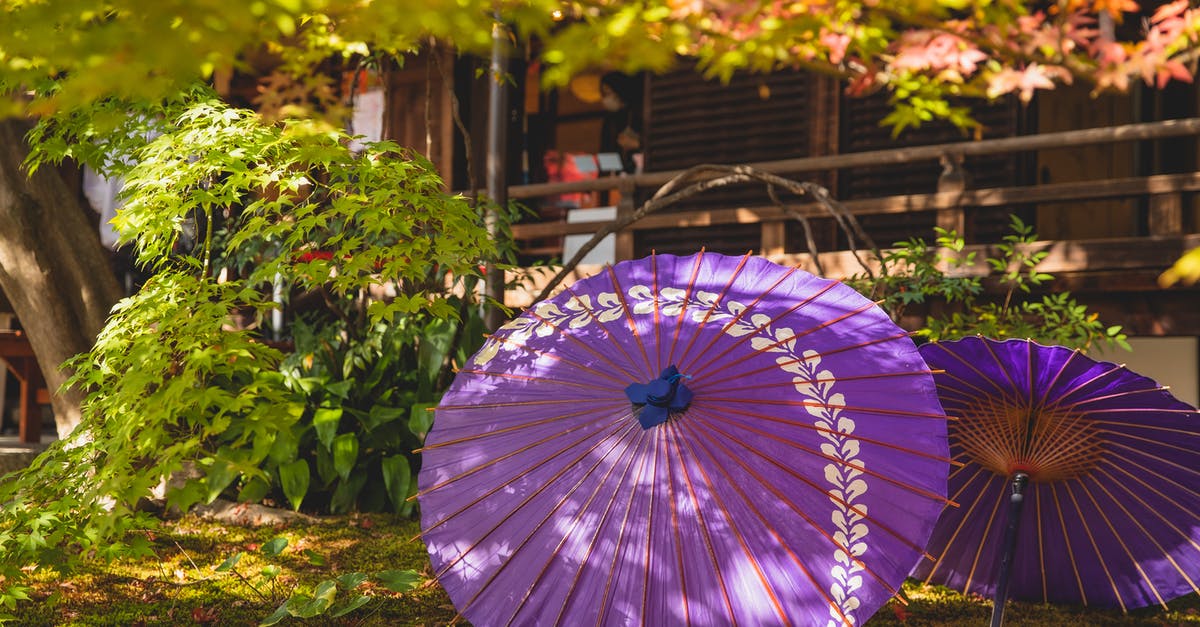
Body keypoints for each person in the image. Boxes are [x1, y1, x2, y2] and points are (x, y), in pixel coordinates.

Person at [599, 72, 643, 174]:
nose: (605, 99)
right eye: (603, 94)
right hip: (616, 176)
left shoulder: (639, 113)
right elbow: (605, 151)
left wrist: (637, 145)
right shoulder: (609, 120)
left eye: (608, 93)